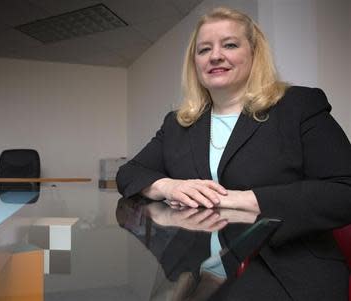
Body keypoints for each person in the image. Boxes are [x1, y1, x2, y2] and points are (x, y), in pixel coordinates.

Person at [116, 6, 351, 301]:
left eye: (229, 44)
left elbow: (344, 190)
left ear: (254, 54)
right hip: (197, 270)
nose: (215, 55)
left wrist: (243, 199)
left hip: (286, 269)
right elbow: (128, 173)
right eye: (204, 49)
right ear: (195, 63)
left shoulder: (299, 106)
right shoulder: (178, 123)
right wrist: (169, 185)